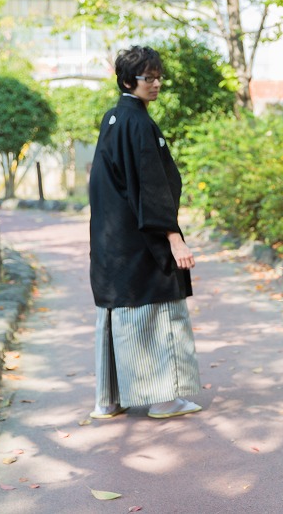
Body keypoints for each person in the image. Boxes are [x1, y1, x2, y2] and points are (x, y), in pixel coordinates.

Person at [88, 45, 203, 420]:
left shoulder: (113, 119)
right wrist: (173, 237)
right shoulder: (138, 123)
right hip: (141, 240)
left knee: (116, 311)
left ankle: (109, 399)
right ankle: (164, 398)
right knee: (157, 311)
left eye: (157, 77)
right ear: (127, 80)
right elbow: (152, 187)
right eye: (147, 78)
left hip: (111, 238)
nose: (155, 84)